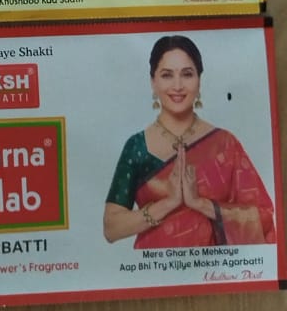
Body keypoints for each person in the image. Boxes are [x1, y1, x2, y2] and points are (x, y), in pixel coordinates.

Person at [104, 35, 275, 248]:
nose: (178, 86)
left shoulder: (224, 144)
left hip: (213, 266)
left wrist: (200, 204)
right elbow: (111, 227)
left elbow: (263, 216)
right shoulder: (138, 146)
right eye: (167, 75)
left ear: (199, 80)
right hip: (154, 265)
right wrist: (168, 203)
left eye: (187, 74)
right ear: (153, 82)